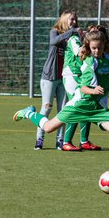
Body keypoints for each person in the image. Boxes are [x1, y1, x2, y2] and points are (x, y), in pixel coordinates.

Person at [13, 30, 109, 186]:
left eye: (99, 47)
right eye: (93, 48)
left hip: (97, 108)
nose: (96, 51)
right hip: (80, 104)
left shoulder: (106, 59)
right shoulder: (90, 63)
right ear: (89, 47)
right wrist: (94, 90)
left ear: (104, 45)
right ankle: (29, 113)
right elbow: (83, 87)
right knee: (48, 127)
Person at [34, 10, 80, 150]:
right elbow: (54, 42)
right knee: (47, 108)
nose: (73, 22)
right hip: (49, 77)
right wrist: (71, 32)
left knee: (63, 110)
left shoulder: (73, 37)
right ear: (64, 19)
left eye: (75, 20)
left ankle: (60, 141)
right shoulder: (55, 31)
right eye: (71, 19)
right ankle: (39, 139)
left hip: (64, 78)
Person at [61, 25, 101, 151]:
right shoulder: (74, 39)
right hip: (71, 75)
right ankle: (66, 142)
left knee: (86, 104)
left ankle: (84, 141)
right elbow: (78, 52)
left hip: (80, 76)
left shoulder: (90, 45)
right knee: (76, 106)